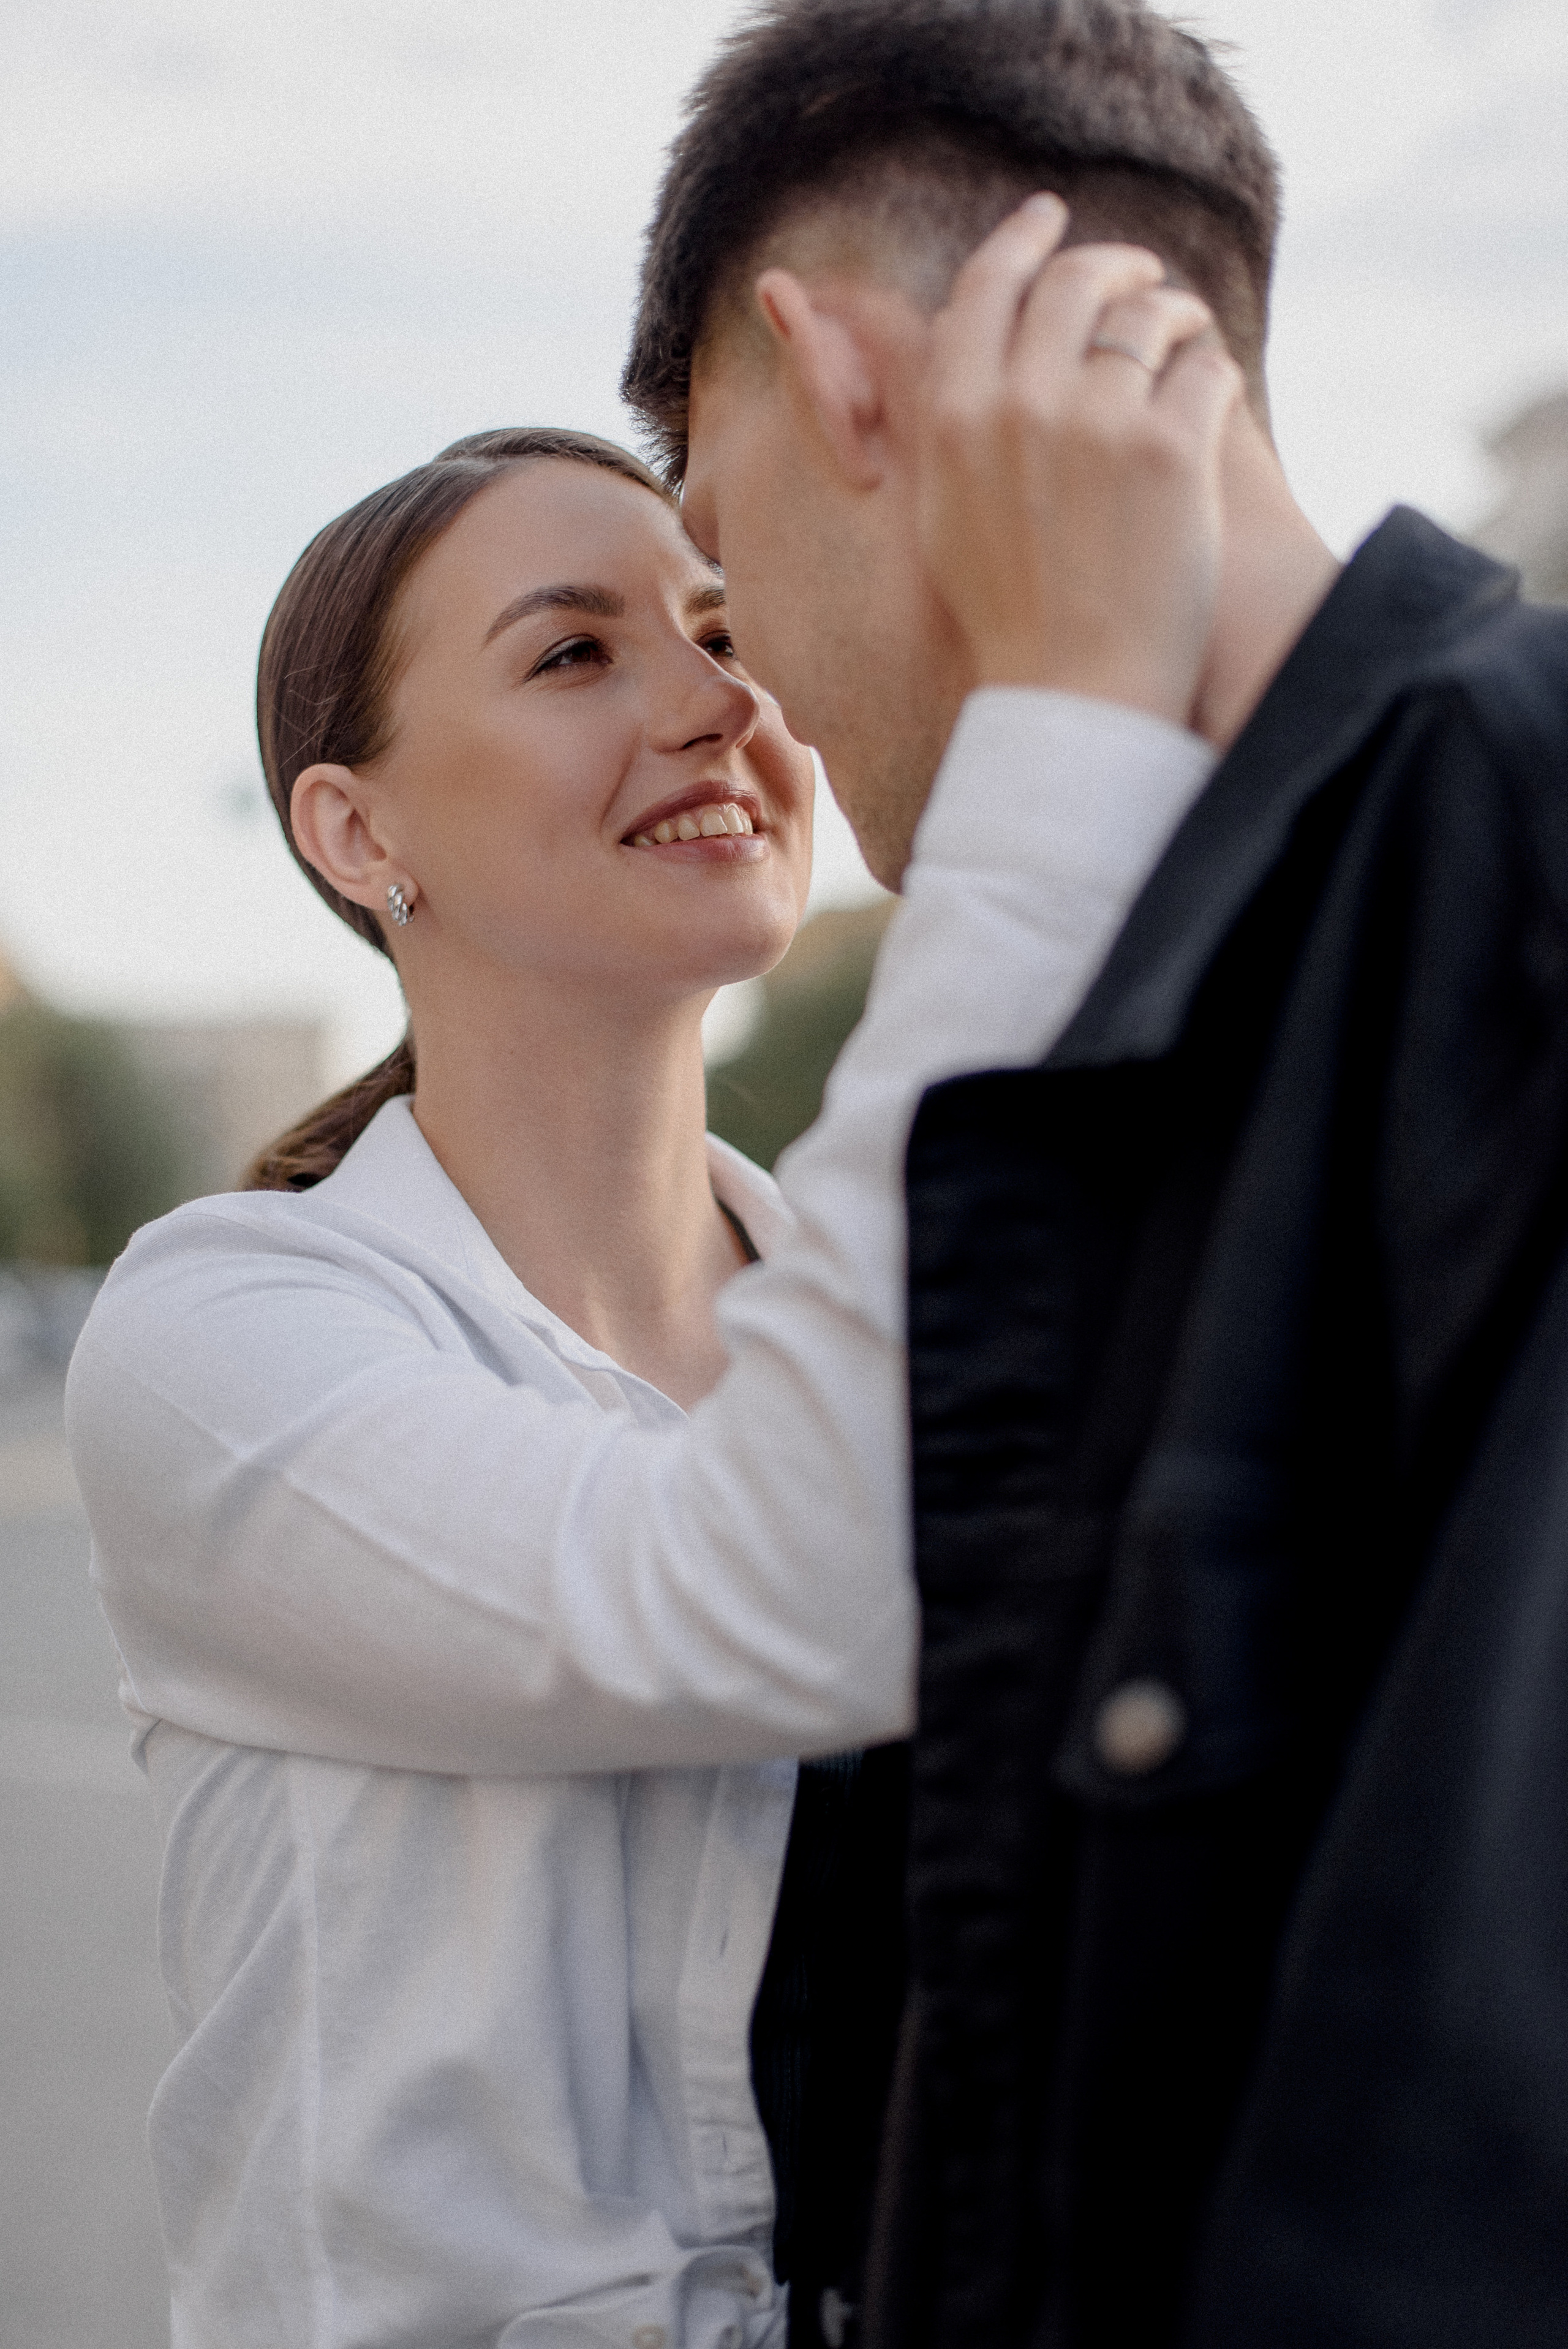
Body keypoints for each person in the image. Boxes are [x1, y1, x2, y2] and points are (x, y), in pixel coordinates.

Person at [65, 364, 1229, 2349]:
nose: (715, 702)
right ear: (356, 829)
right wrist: (1066, 746)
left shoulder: (875, 1298)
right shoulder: (222, 1334)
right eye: (574, 652)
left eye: (722, 631)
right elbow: (759, 1586)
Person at [619, 3, 1568, 2346]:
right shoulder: (1125, 975)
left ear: (842, 382)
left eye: (723, 575)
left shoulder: (1515, 857)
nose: (761, 698)